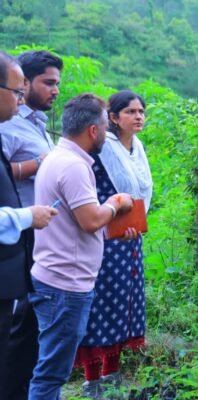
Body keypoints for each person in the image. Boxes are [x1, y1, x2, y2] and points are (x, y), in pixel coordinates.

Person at [27, 94, 135, 400]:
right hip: (65, 285)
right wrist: (115, 203)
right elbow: (90, 220)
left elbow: (72, 224)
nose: (106, 133)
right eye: (105, 127)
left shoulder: (58, 157)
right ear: (93, 130)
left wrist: (112, 232)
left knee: (50, 368)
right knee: (52, 373)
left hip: (57, 277)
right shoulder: (73, 166)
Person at [75, 91, 152, 397]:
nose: (138, 116)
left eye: (141, 111)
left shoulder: (138, 149)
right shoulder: (101, 149)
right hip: (104, 238)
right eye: (130, 111)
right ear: (114, 117)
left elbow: (140, 195)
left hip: (131, 239)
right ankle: (91, 378)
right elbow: (90, 194)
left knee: (125, 301)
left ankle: (113, 371)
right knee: (101, 303)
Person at [0, 49, 62, 399]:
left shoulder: (36, 123)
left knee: (28, 330)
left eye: (57, 84)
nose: (55, 90)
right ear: (24, 82)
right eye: (47, 83)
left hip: (34, 241)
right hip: (15, 240)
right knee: (18, 330)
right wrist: (39, 165)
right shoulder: (9, 123)